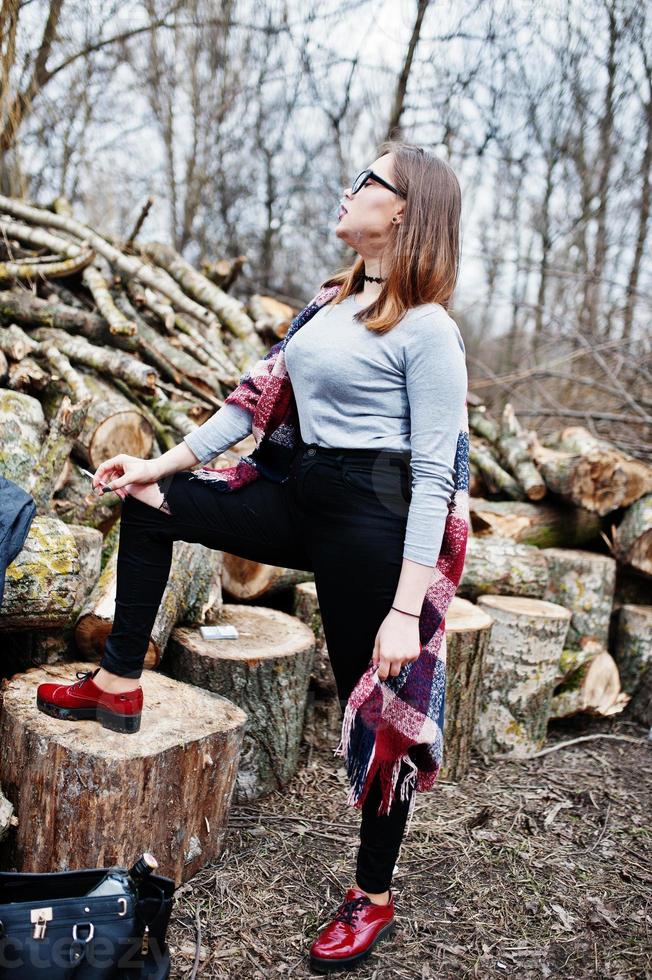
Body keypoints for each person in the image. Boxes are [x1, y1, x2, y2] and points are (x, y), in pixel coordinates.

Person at [36, 139, 468, 973]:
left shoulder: (430, 331)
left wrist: (407, 610)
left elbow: (435, 478)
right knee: (150, 510)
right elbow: (253, 400)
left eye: (368, 180)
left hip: (374, 521)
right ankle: (119, 683)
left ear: (405, 209)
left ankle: (372, 894)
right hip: (299, 490)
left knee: (379, 711)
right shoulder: (331, 301)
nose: (350, 190)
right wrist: (159, 464)